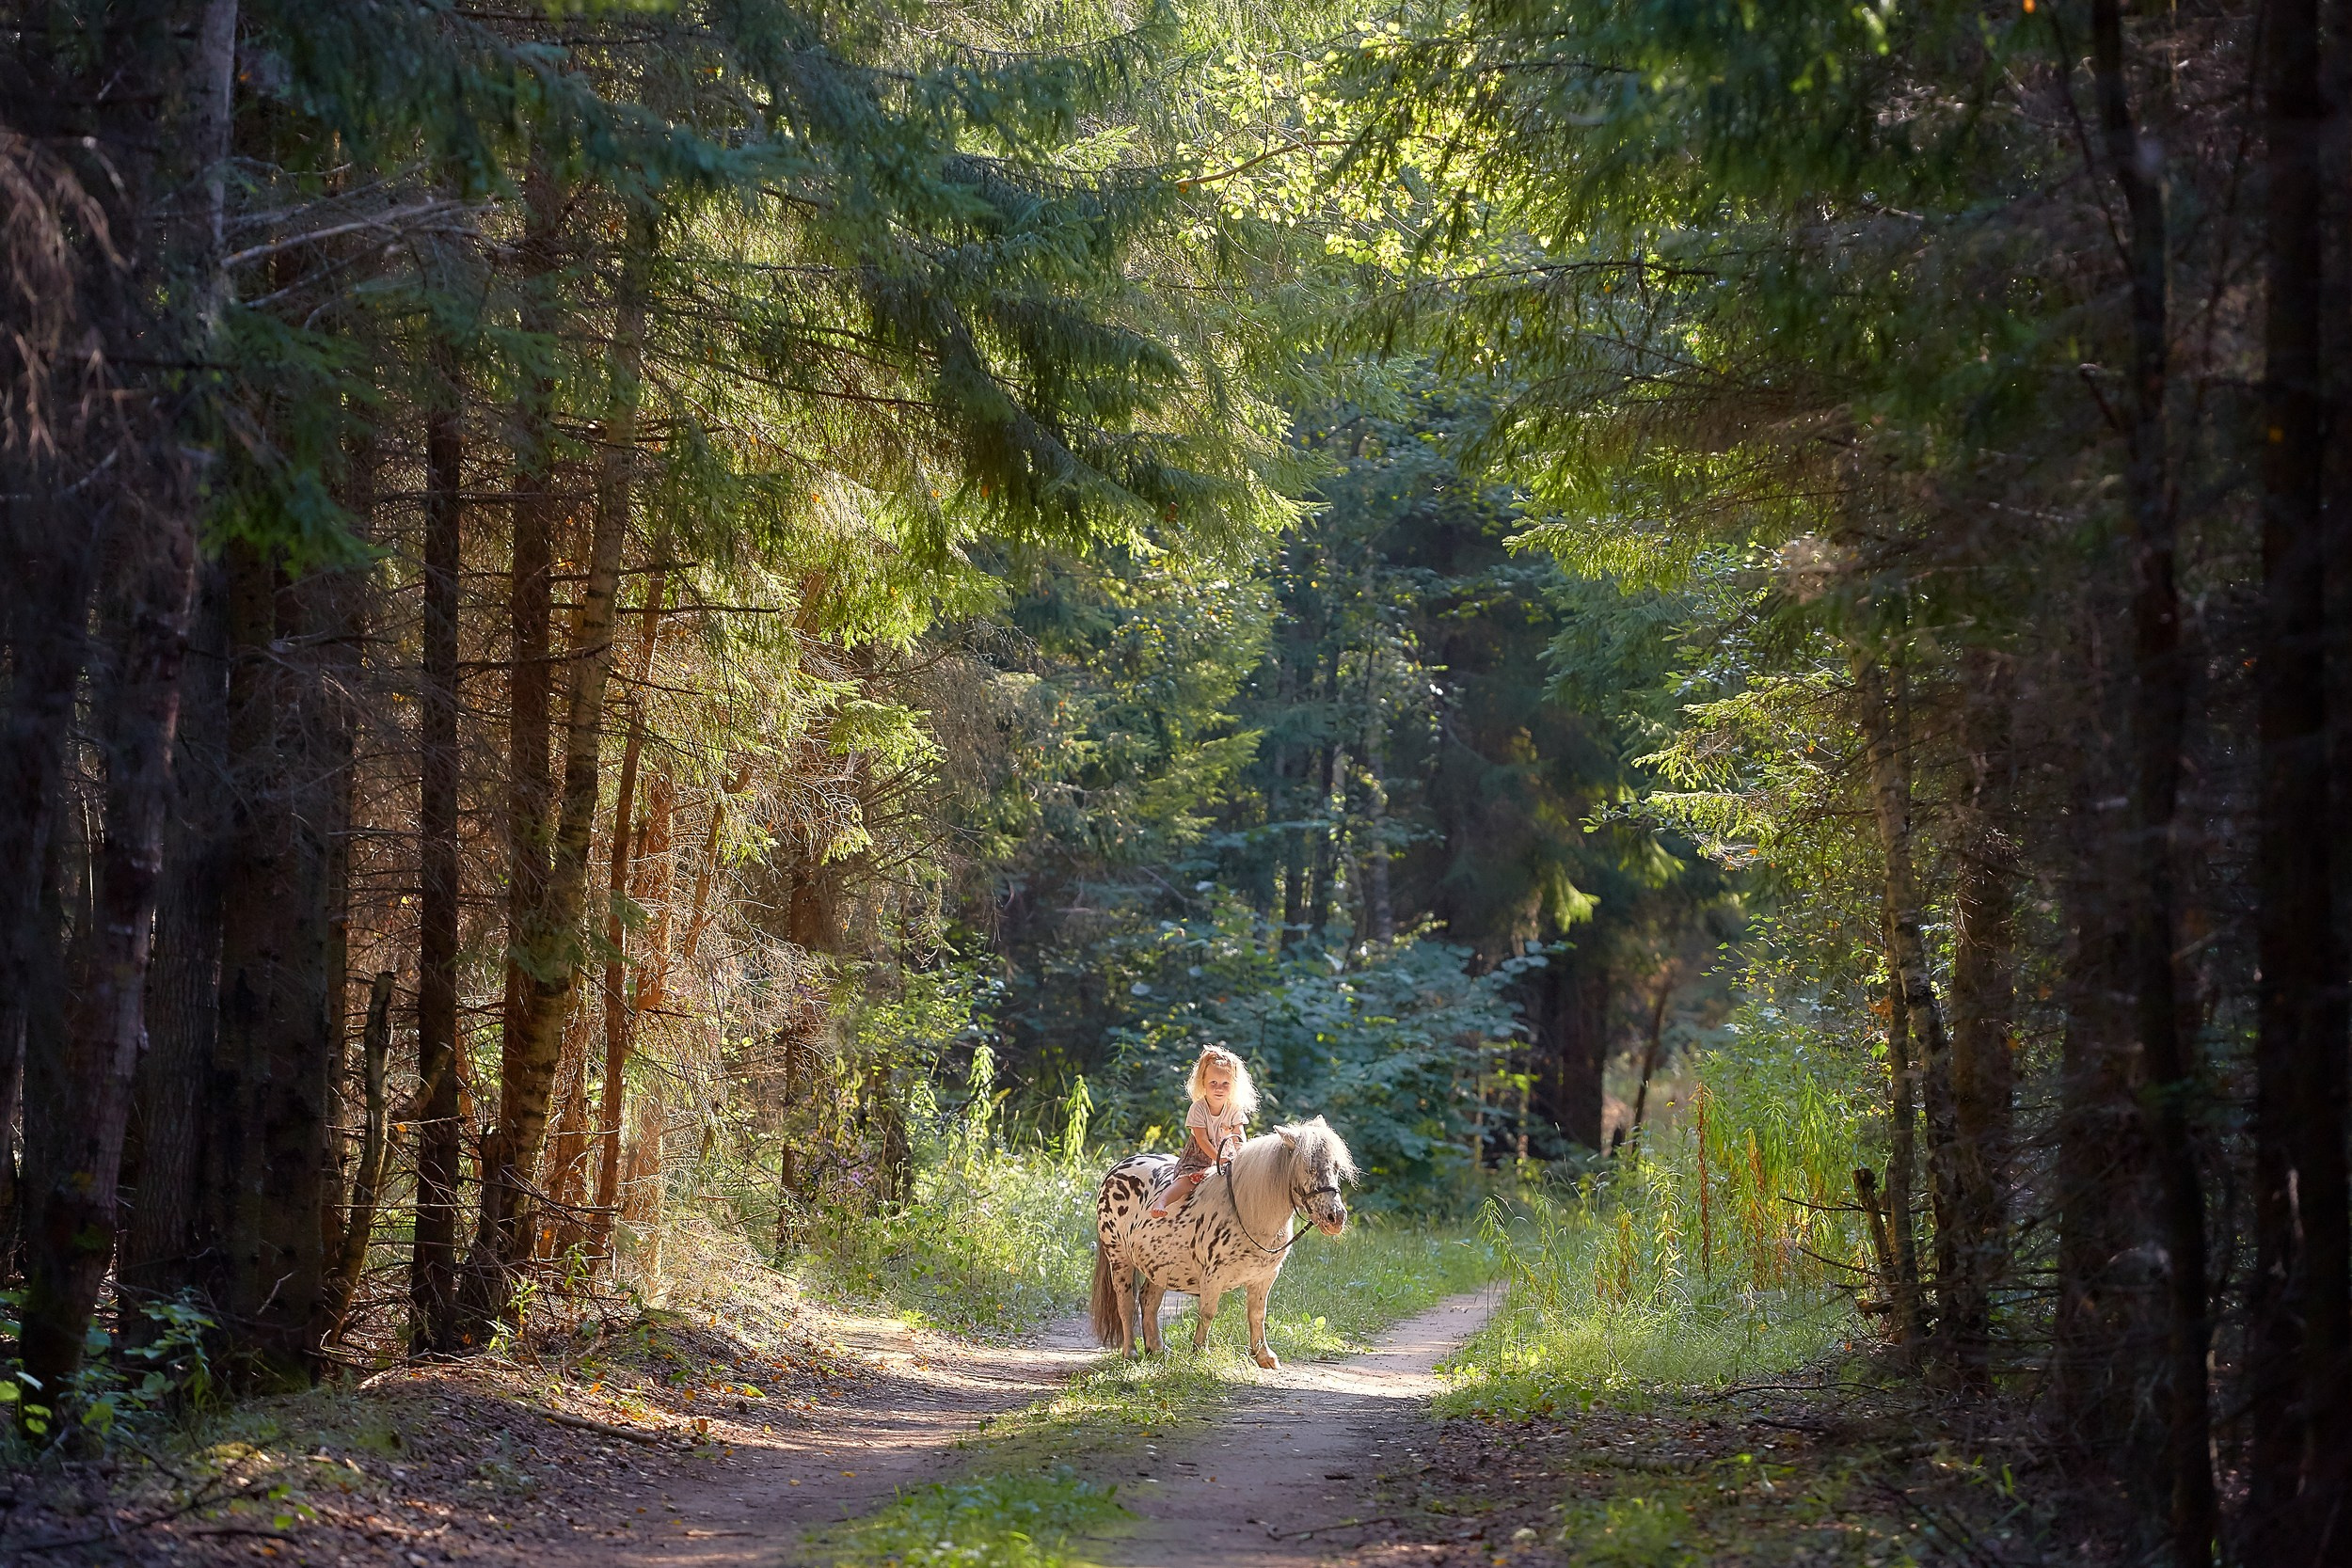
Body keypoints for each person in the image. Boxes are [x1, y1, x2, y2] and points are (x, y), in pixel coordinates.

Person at [1150, 1044, 1258, 1219]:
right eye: (1213, 1083)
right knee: (1187, 1182)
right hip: (1200, 1158)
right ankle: (1161, 1201)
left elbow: (1239, 1134)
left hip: (1227, 1157)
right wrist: (1218, 1159)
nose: (1219, 1088)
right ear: (1203, 1083)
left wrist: (1241, 1154)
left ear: (1234, 1086)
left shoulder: (1234, 1109)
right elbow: (1201, 1139)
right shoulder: (1198, 1108)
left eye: (1225, 1084)